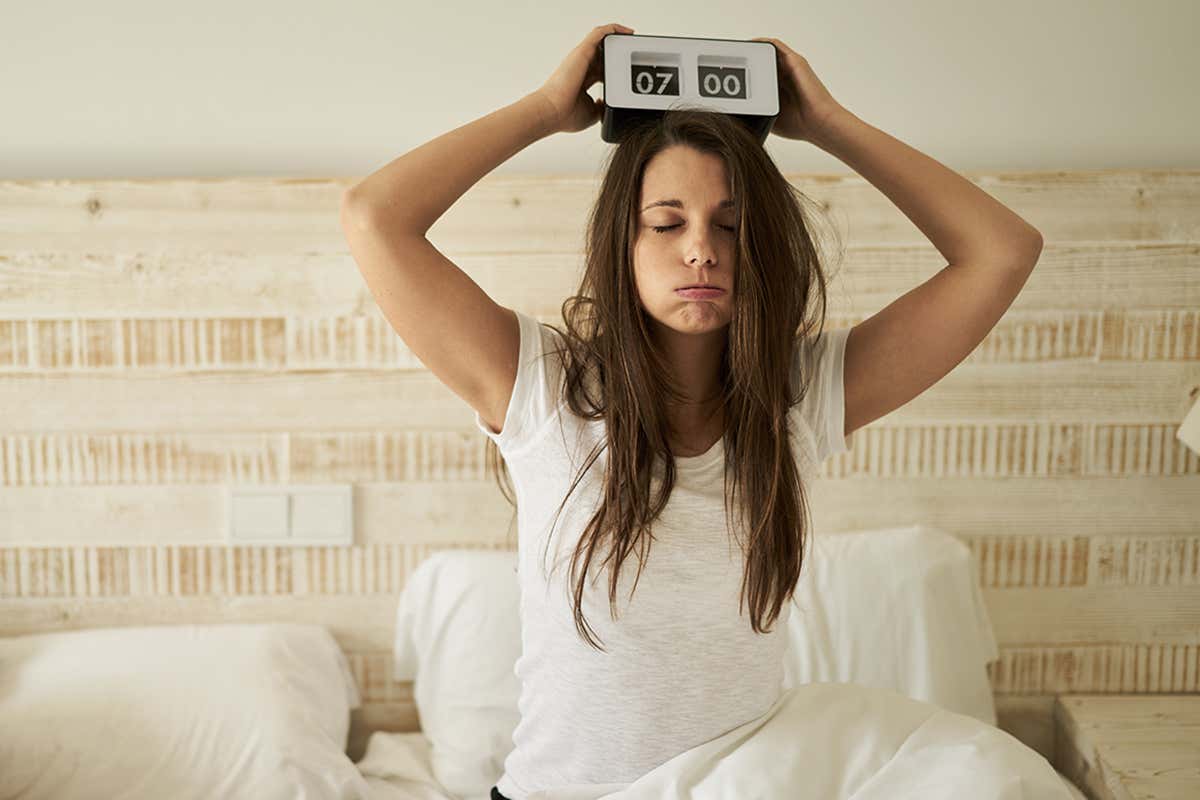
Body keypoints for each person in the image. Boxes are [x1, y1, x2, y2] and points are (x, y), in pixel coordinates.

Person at [342, 23, 1043, 800]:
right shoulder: (545, 390)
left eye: (731, 226)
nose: (701, 249)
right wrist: (545, 109)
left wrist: (827, 124)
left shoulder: (799, 400)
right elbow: (375, 217)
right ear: (624, 244)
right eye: (668, 223)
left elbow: (1002, 251)